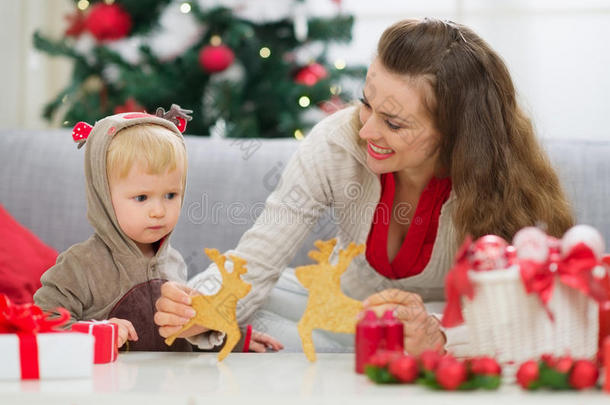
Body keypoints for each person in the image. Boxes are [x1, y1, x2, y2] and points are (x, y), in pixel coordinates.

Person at [154, 18, 574, 356]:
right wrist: (203, 306)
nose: (366, 129)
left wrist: (441, 337)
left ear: (455, 134)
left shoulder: (499, 177)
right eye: (366, 101)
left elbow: (530, 300)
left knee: (505, 321)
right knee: (256, 308)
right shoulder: (335, 142)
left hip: (452, 320)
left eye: (393, 122)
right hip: (343, 313)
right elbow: (257, 259)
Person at [34, 107, 282, 353]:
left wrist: (234, 339)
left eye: (170, 195)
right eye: (142, 198)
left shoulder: (173, 261)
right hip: (111, 388)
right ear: (103, 197)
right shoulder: (80, 265)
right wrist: (97, 332)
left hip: (170, 388)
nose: (159, 211)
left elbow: (184, 333)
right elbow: (41, 323)